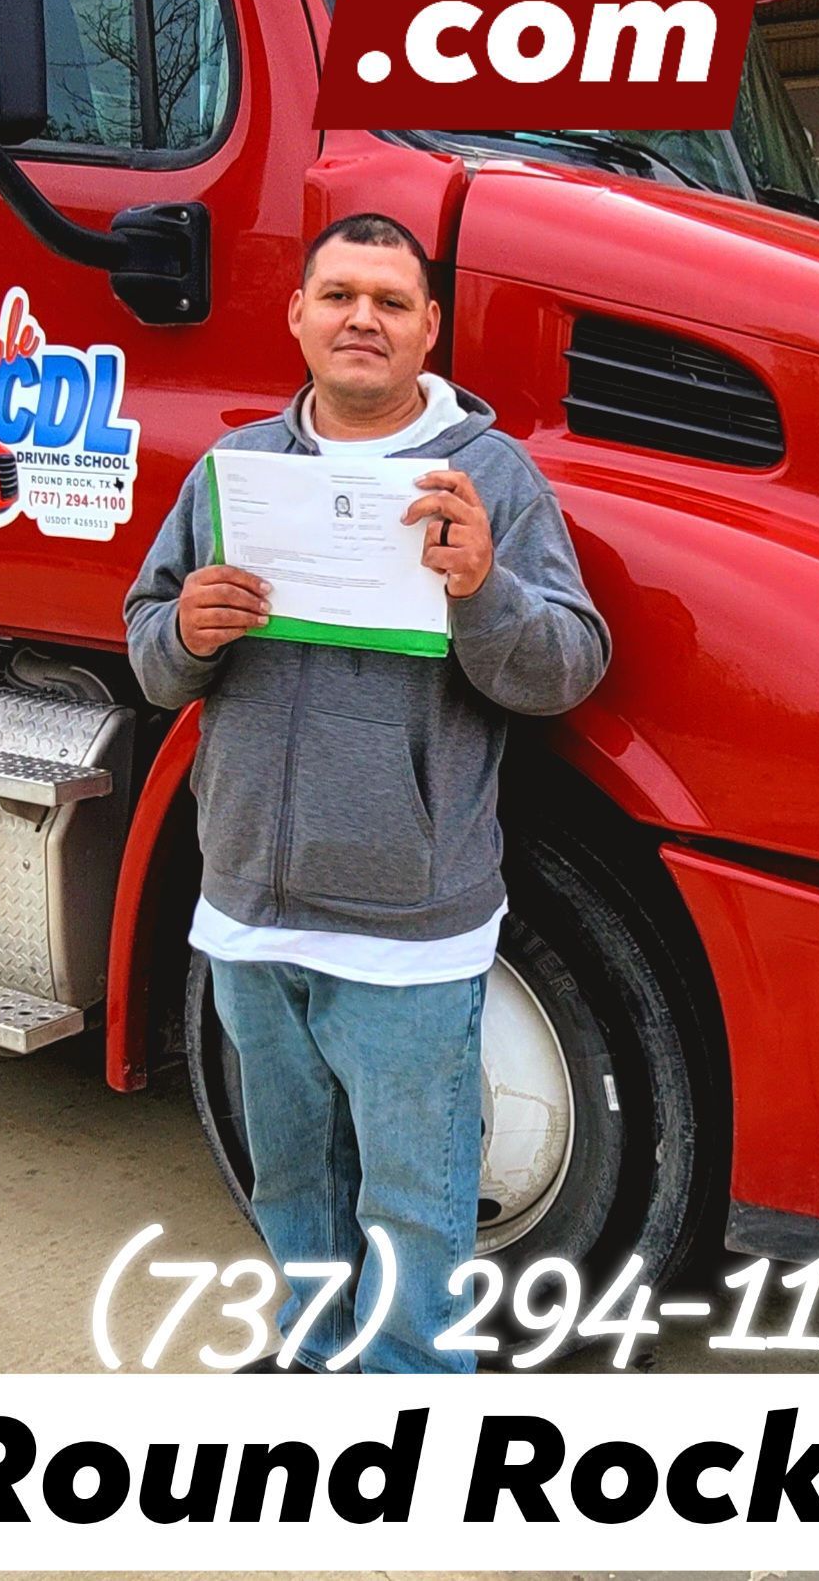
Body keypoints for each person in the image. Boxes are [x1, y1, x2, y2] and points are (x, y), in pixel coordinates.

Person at [124, 212, 610, 1373]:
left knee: (413, 1197)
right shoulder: (234, 471)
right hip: (248, 910)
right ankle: (312, 1356)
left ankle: (406, 1402)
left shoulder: (488, 478)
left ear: (430, 328)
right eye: (338, 294)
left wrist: (485, 588)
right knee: (289, 1174)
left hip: (408, 932)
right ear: (298, 315)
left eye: (391, 302)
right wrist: (185, 630)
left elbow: (569, 665)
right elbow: (147, 646)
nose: (362, 319)